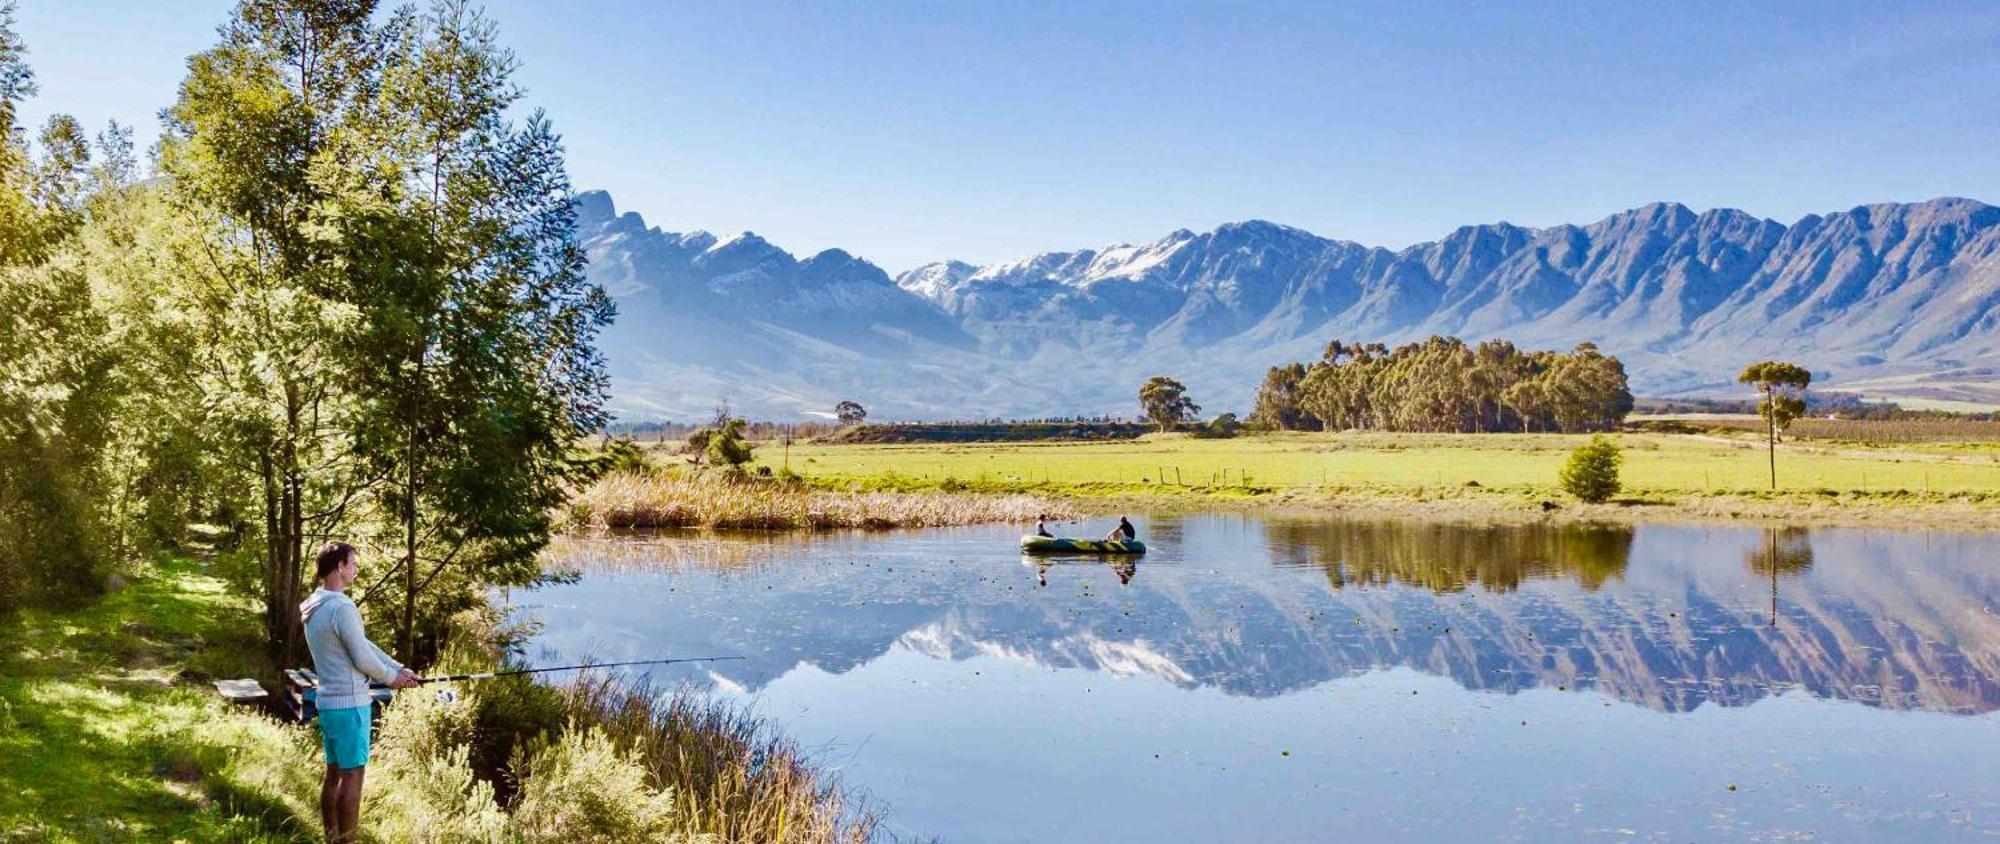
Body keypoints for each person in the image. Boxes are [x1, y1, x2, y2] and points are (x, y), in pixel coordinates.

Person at [301, 542, 423, 844]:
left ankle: (332, 839)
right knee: (353, 777)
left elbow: (363, 644)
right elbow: (363, 659)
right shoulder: (342, 607)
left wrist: (398, 668)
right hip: (350, 706)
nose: (356, 569)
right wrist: (392, 679)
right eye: (352, 563)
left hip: (328, 702)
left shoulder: (316, 604)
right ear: (339, 567)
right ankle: (348, 842)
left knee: (333, 774)